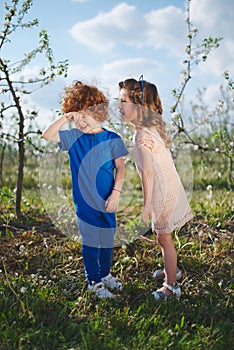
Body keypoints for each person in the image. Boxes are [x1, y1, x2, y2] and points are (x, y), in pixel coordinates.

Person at [42, 81, 128, 299]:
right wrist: (66, 117)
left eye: (84, 115)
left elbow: (120, 169)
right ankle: (94, 282)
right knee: (90, 240)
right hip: (85, 202)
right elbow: (47, 135)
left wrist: (116, 193)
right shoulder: (74, 138)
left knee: (107, 239)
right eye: (76, 116)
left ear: (98, 112)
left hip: (108, 200)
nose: (80, 121)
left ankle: (105, 274)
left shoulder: (112, 139)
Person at [118, 77, 193, 300]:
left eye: (124, 101)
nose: (119, 106)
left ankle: (171, 286)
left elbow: (148, 174)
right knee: (164, 237)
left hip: (161, 192)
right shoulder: (150, 129)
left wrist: (147, 204)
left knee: (163, 239)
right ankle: (171, 268)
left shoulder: (142, 134)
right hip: (169, 187)